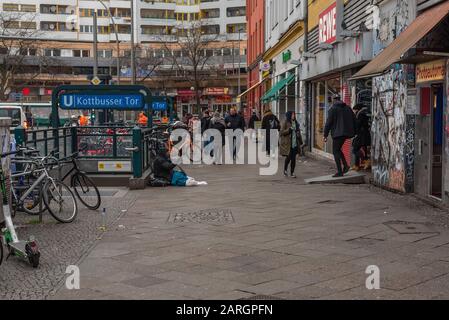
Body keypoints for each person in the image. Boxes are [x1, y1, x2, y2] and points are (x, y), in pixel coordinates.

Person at [324, 95, 356, 177]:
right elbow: (354, 120)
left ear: (333, 100)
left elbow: (328, 123)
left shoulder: (333, 109)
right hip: (346, 133)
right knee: (338, 149)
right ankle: (345, 166)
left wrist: (325, 135)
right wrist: (354, 131)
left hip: (337, 134)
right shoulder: (348, 108)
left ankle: (340, 171)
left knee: (335, 151)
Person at [280, 111, 302, 178]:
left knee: (293, 159)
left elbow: (298, 131)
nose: (294, 116)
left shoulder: (296, 122)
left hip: (295, 143)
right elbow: (281, 132)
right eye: (292, 115)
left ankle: (292, 172)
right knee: (288, 157)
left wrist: (300, 141)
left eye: (294, 114)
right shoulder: (285, 122)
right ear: (289, 115)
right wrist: (289, 130)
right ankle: (285, 170)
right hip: (288, 143)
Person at [352, 103, 371, 171]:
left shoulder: (360, 115)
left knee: (355, 149)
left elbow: (358, 125)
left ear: (357, 109)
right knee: (362, 149)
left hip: (361, 135)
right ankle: (357, 165)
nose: (353, 111)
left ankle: (366, 160)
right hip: (364, 135)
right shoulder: (364, 114)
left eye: (354, 110)